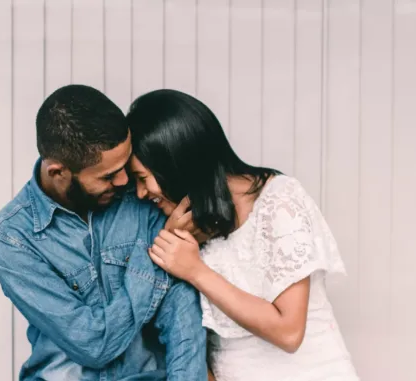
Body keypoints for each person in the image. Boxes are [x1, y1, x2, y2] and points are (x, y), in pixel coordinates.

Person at [125, 89, 359, 381]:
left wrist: (195, 270)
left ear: (174, 163)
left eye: (142, 178)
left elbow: (288, 333)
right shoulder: (182, 229)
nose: (140, 192)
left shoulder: (278, 199)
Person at [0, 84, 207, 380]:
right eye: (109, 175)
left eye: (125, 166)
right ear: (58, 173)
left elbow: (181, 315)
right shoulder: (9, 239)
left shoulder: (138, 198)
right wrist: (160, 249)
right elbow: (93, 345)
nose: (125, 180)